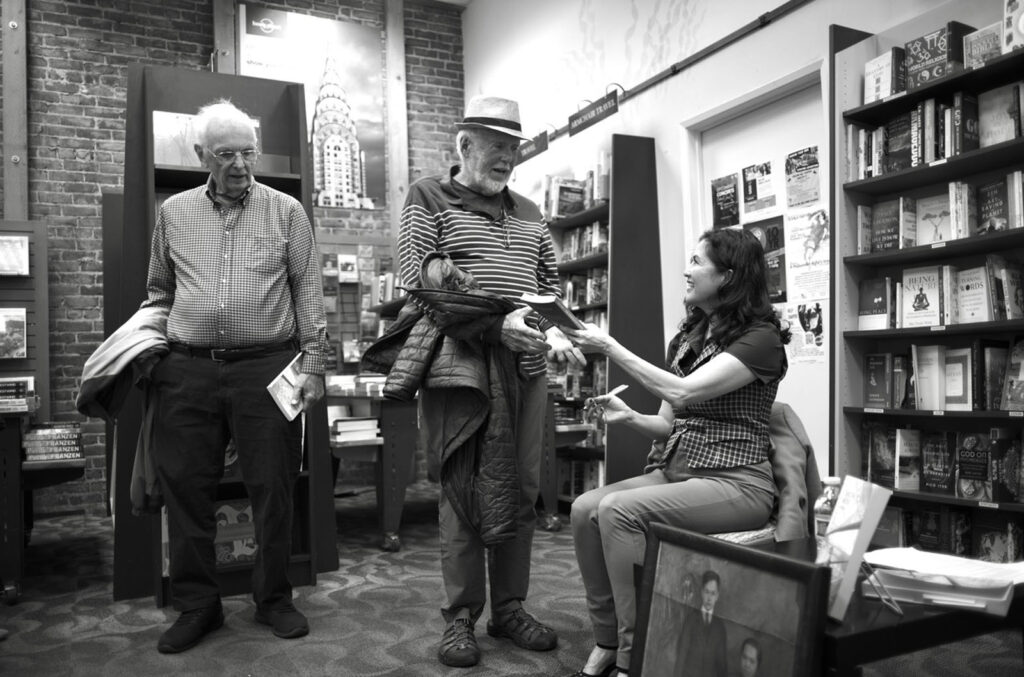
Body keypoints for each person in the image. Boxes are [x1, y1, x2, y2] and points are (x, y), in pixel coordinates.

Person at [396, 94, 585, 668]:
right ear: (464, 145)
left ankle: (509, 608)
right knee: (461, 490)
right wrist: (496, 323)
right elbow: (419, 283)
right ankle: (460, 618)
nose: (507, 158)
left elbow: (550, 288)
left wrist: (559, 334)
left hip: (524, 367)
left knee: (523, 487)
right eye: (496, 146)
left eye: (514, 148)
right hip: (459, 367)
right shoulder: (427, 196)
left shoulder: (530, 211)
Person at [142, 99, 327, 653]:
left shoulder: (286, 210)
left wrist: (314, 366)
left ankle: (273, 598)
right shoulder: (173, 212)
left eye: (249, 152)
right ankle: (200, 604)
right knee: (186, 489)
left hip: (269, 366)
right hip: (187, 369)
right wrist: (154, 351)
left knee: (273, 486)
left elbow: (307, 289)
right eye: (227, 155)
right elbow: (159, 289)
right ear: (201, 154)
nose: (242, 164)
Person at [564, 228, 790, 676]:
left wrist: (608, 346)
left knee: (616, 512)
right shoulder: (690, 334)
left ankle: (635, 655)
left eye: (696, 261)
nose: (686, 270)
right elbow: (669, 422)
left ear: (727, 277)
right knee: (584, 507)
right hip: (679, 470)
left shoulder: (761, 339)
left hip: (737, 481)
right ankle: (608, 639)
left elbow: (682, 392)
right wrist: (628, 416)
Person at [678, 570, 728, 677]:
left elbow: (722, 667)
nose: (709, 598)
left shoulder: (720, 628)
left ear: (717, 596)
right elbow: (680, 659)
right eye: (707, 592)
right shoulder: (690, 620)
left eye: (713, 593)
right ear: (701, 592)